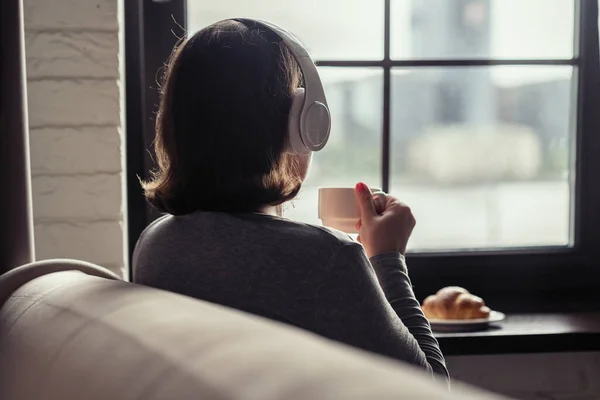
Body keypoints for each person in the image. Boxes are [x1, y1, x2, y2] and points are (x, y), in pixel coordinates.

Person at [133, 18, 449, 381]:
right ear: (301, 124)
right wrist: (387, 257)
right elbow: (430, 386)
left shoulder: (155, 244)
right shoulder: (327, 259)